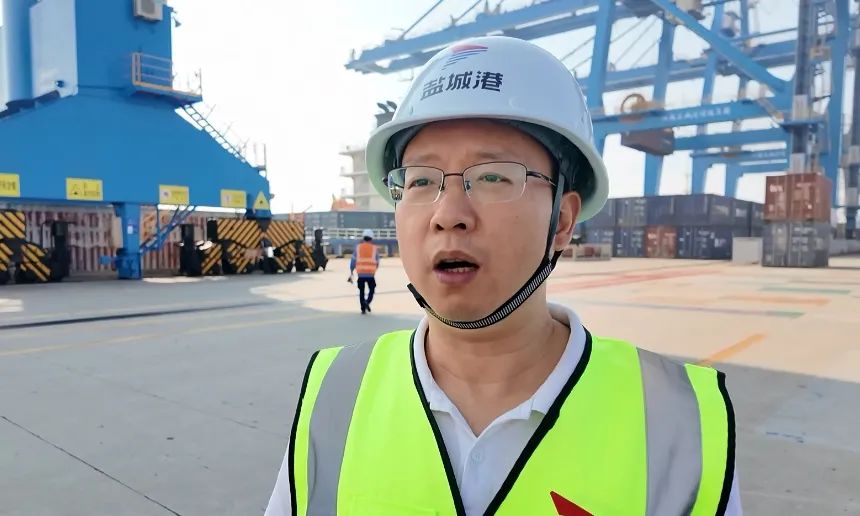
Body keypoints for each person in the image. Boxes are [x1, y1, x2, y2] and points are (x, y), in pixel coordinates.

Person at [265, 36, 741, 516]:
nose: (448, 215)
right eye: (421, 181)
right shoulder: (335, 394)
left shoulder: (677, 420)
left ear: (561, 221)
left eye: (493, 177)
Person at [349, 229, 379, 314]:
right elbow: (377, 261)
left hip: (360, 274)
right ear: (371, 238)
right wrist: (374, 269)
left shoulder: (358, 248)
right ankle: (367, 302)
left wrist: (351, 271)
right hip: (371, 274)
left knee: (361, 291)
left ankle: (363, 308)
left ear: (363, 237)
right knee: (372, 289)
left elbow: (353, 260)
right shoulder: (374, 248)